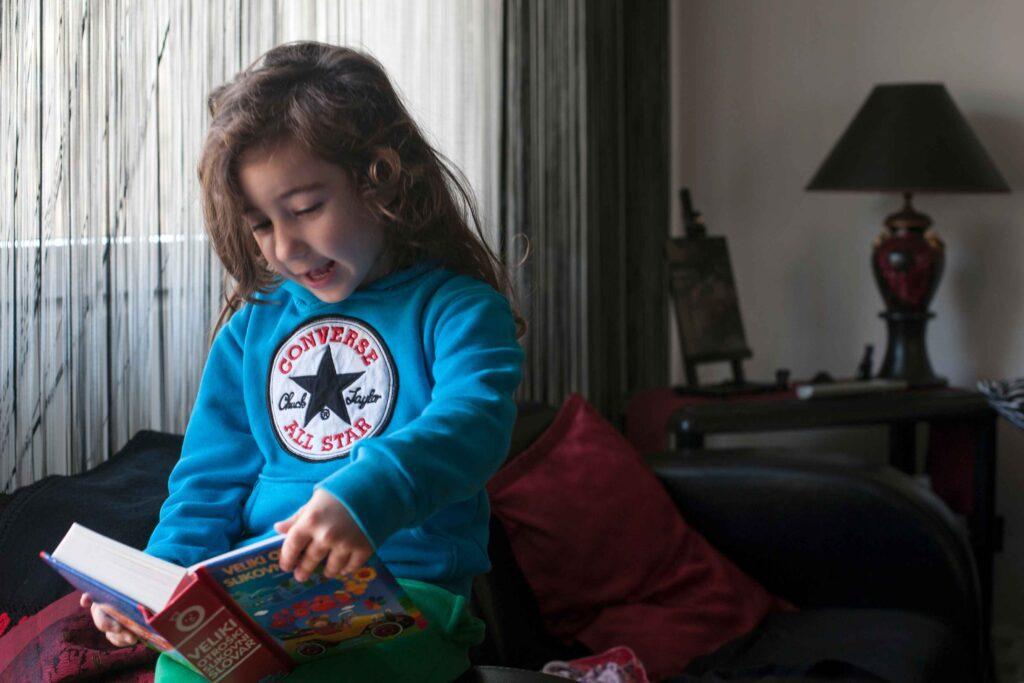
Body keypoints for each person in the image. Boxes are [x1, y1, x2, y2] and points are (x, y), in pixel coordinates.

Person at [80, 40, 526, 682]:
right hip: (261, 601)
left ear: (381, 178)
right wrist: (157, 586)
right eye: (261, 224)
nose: (286, 247)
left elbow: (473, 424)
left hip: (411, 596)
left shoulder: (457, 308)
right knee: (180, 675)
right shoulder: (249, 332)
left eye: (306, 209)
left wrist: (365, 498)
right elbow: (205, 485)